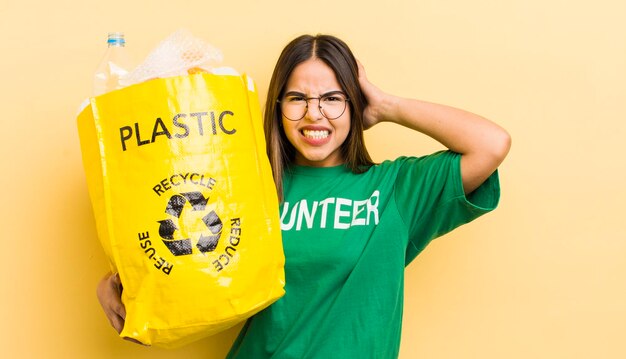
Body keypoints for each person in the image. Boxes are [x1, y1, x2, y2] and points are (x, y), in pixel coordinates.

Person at [97, 34, 511, 358]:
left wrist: (386, 105)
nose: (314, 114)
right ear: (278, 107)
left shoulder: (396, 190)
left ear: (355, 103)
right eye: (297, 99)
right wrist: (121, 286)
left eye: (333, 99)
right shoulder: (248, 185)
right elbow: (187, 265)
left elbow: (491, 144)